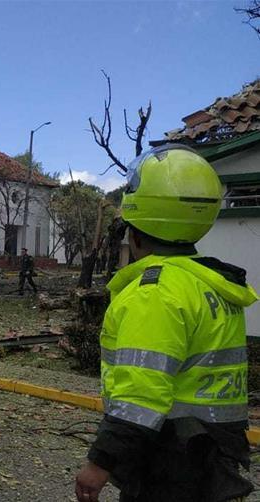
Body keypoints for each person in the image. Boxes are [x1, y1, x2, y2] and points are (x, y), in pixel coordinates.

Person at [75, 144, 258, 502]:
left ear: (135, 232)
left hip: (170, 459)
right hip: (214, 456)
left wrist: (100, 462)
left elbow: (141, 392)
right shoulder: (213, 285)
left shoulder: (154, 293)